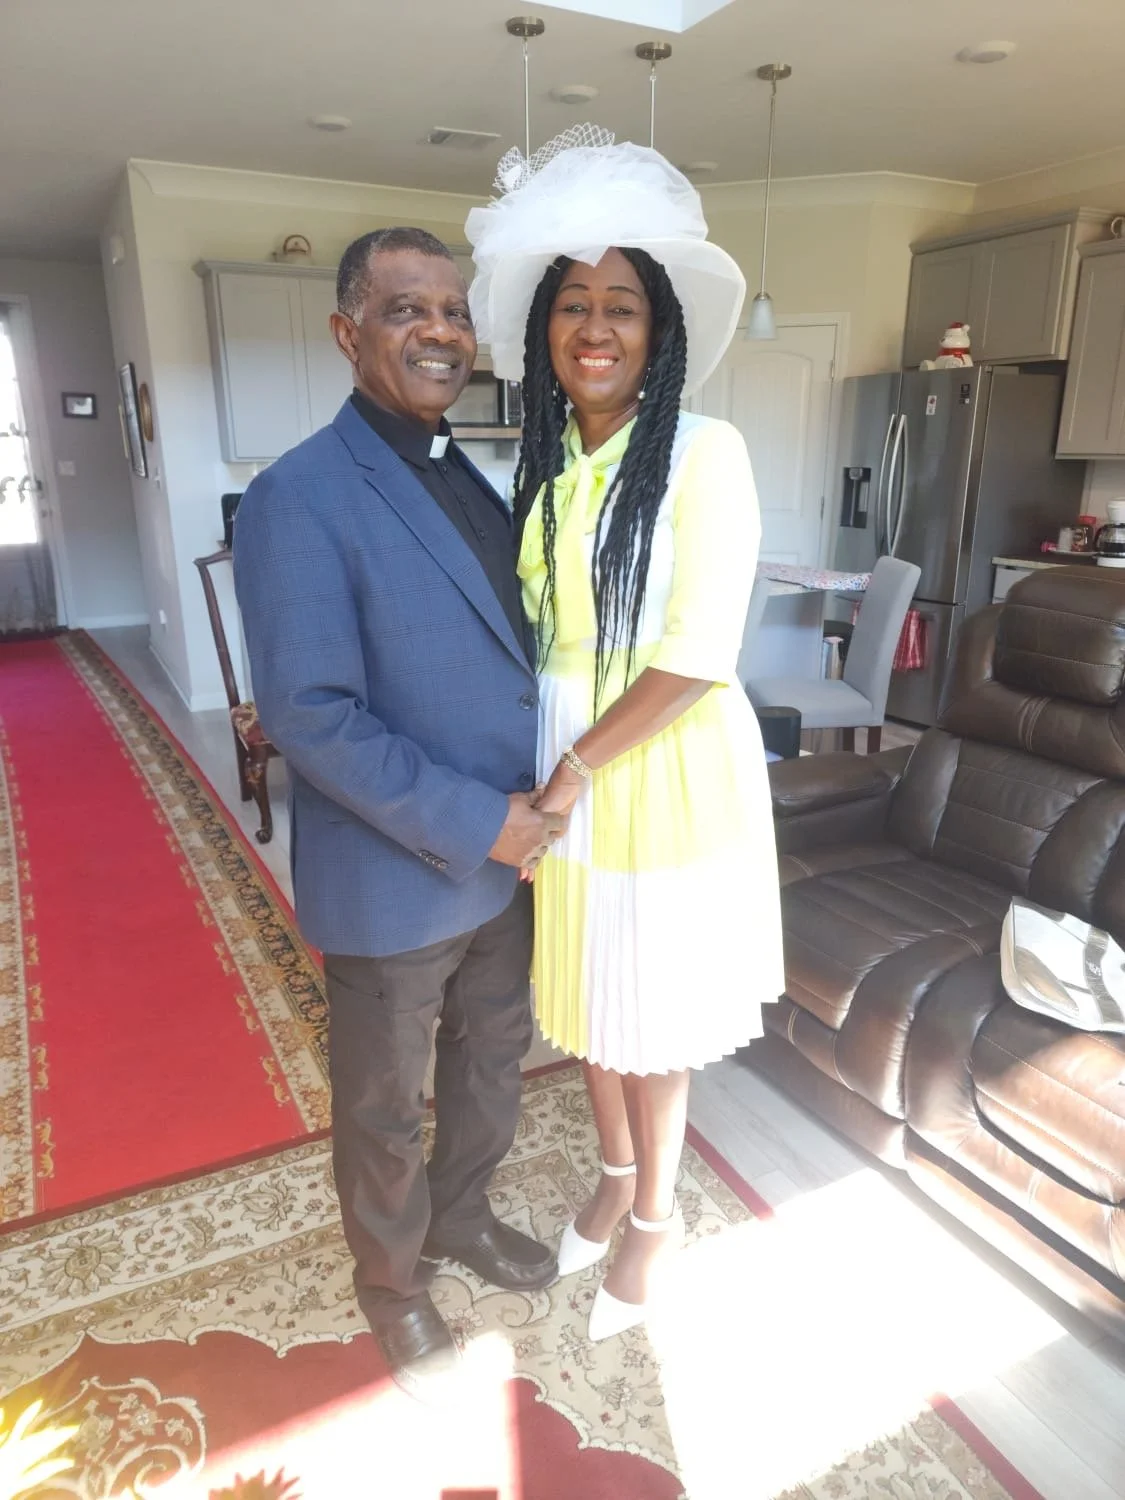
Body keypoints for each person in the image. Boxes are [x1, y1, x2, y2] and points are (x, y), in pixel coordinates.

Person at [233, 227, 566, 1395]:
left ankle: (461, 1221)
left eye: (455, 312)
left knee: (491, 1061)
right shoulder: (298, 494)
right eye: (404, 309)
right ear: (348, 332)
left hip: (503, 855)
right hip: (400, 864)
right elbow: (310, 716)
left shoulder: (459, 465)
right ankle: (392, 1285)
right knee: (385, 1104)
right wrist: (486, 820)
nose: (440, 331)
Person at [466, 130, 785, 1340]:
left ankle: (656, 1215)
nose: (597, 329)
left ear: (660, 333)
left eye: (625, 308)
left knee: (653, 1012)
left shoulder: (707, 454)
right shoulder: (545, 469)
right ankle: (611, 1174)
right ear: (547, 330)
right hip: (567, 753)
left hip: (656, 759)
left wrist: (570, 771)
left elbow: (701, 656)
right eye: (575, 305)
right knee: (592, 993)